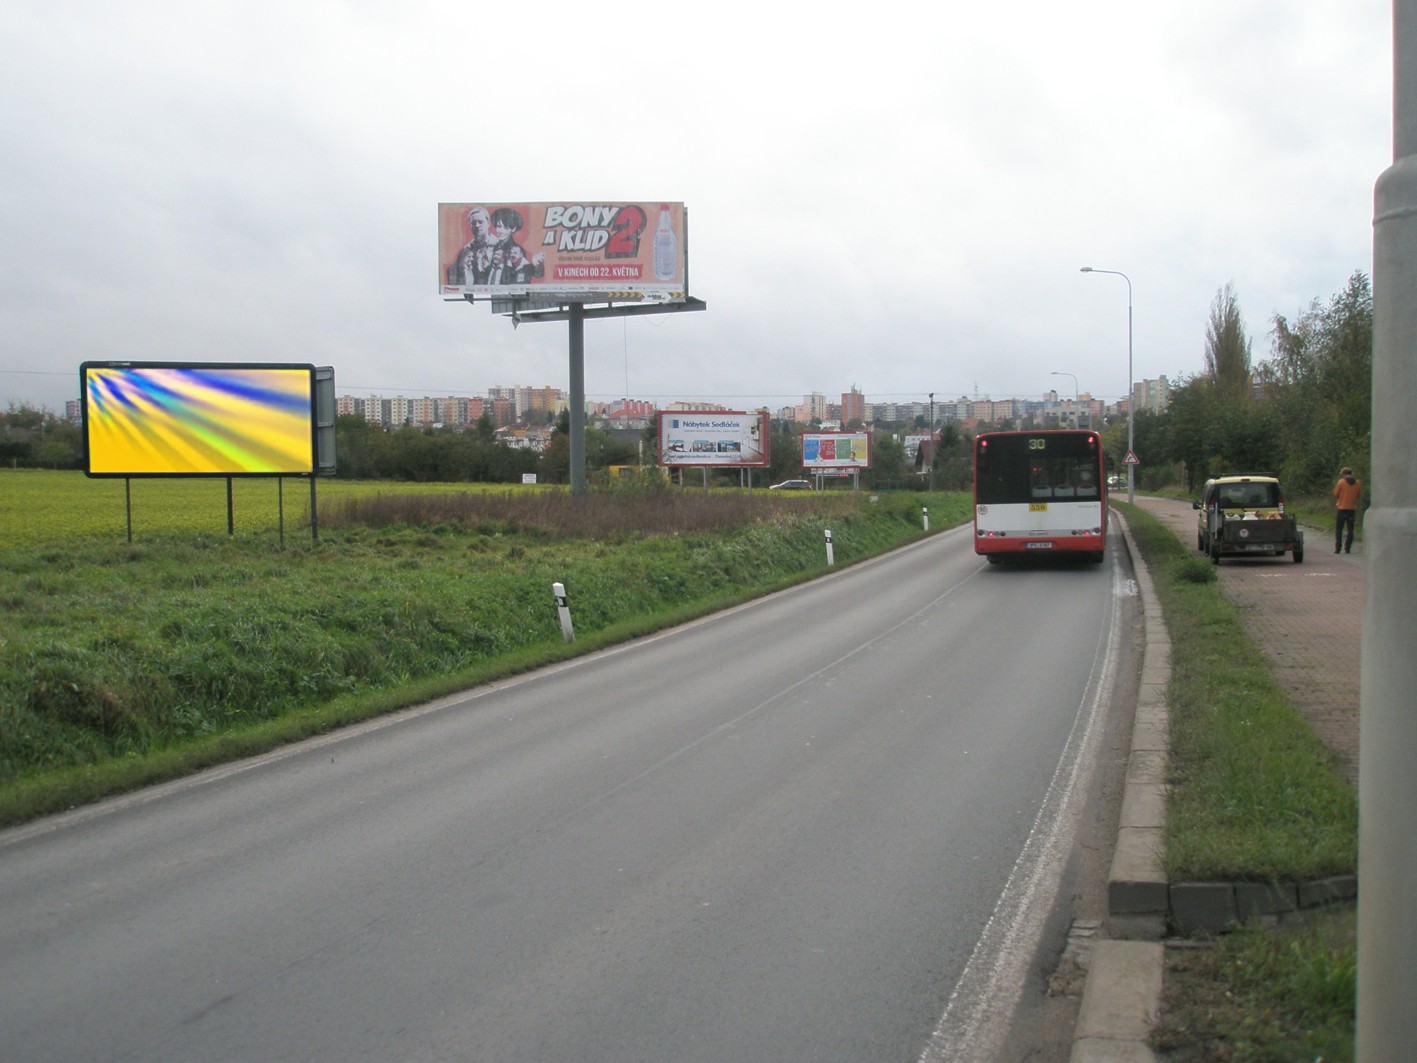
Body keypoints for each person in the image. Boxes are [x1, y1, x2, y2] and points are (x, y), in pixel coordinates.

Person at [1333, 467, 1361, 554]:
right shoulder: (1358, 483)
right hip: (1352, 509)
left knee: (1339, 529)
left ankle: (1338, 548)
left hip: (1342, 508)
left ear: (1343, 474)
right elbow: (1358, 496)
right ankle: (1348, 548)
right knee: (1350, 530)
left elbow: (1335, 494)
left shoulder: (1341, 482)